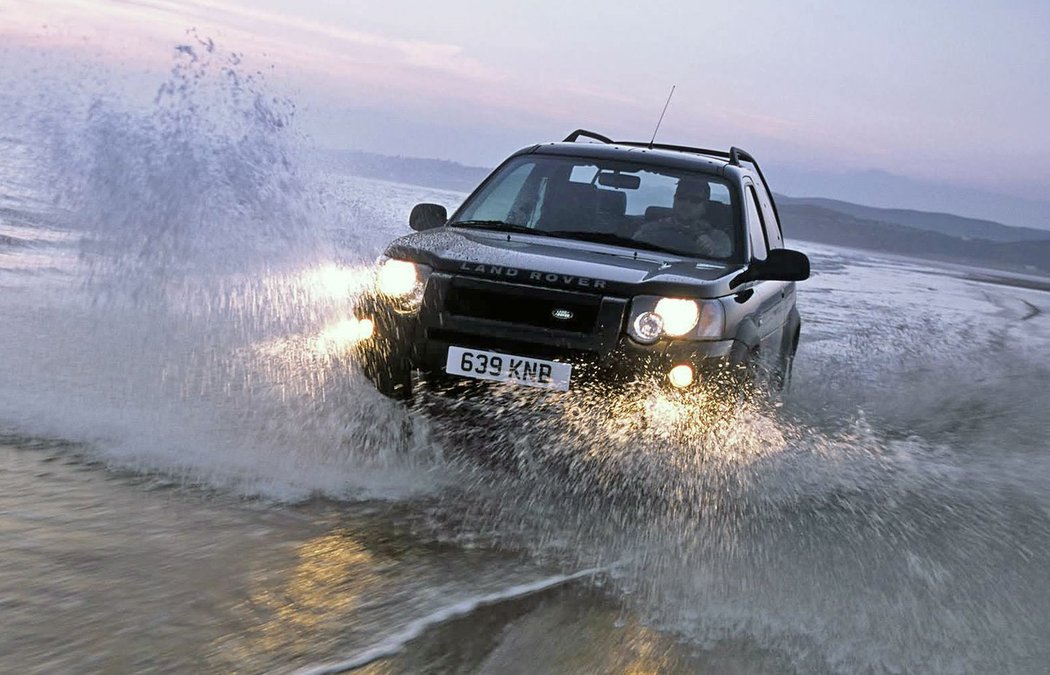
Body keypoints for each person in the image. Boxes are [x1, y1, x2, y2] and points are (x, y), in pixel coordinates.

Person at [633, 176, 733, 258]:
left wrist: (712, 250)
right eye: (682, 197)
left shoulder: (718, 238)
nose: (686, 203)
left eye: (694, 200)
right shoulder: (651, 230)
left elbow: (727, 265)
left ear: (705, 207)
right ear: (674, 199)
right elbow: (633, 253)